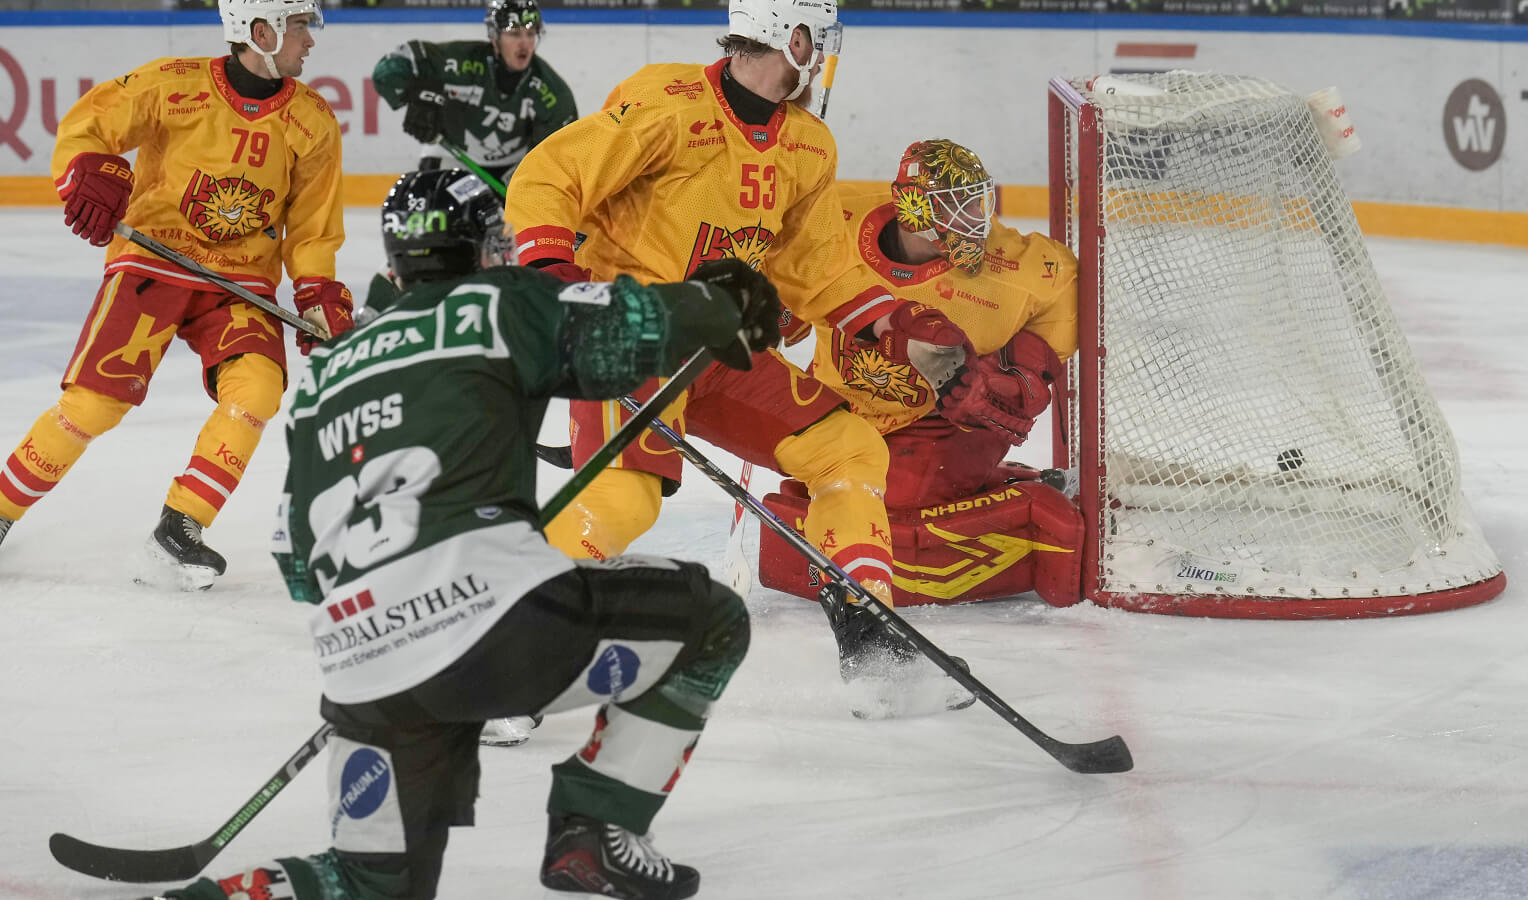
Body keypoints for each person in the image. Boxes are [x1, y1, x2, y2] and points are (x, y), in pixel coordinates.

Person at [135, 168, 781, 900]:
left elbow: (295, 563)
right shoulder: (493, 303)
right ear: (481, 248)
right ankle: (598, 828)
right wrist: (721, 302)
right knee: (710, 620)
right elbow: (627, 332)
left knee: (369, 883)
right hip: (492, 630)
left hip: (360, 670)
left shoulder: (329, 371)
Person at [504, 0, 979, 697]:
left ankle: (872, 638)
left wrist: (887, 319)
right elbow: (549, 177)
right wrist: (556, 277)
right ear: (792, 37)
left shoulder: (809, 145)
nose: (822, 55)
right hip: (631, 335)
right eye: (817, 40)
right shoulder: (668, 103)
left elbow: (813, 267)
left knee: (848, 447)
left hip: (719, 352)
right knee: (625, 502)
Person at [0, 0, 353, 590]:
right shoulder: (173, 84)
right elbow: (88, 125)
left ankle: (181, 525)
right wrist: (87, 169)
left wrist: (317, 293)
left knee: (260, 388)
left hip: (240, 282)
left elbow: (314, 229)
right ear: (261, 32)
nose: (309, 42)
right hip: (154, 262)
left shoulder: (313, 121)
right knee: (93, 406)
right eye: (299, 28)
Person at [765, 139, 1081, 607]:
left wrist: (1003, 378)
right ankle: (993, 481)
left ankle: (1012, 484)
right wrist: (773, 297)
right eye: (956, 206)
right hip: (841, 400)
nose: (976, 221)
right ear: (913, 208)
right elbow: (779, 254)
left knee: (885, 504)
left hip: (940, 422)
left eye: (978, 202)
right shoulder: (836, 219)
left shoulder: (1018, 266)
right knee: (829, 486)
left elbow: (1065, 289)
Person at [373, 0, 578, 188]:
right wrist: (418, 95)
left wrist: (536, 184)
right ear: (494, 36)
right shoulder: (461, 63)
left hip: (513, 169)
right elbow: (389, 69)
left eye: (531, 33)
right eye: (514, 34)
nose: (524, 43)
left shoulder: (552, 91)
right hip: (452, 156)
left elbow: (560, 154)